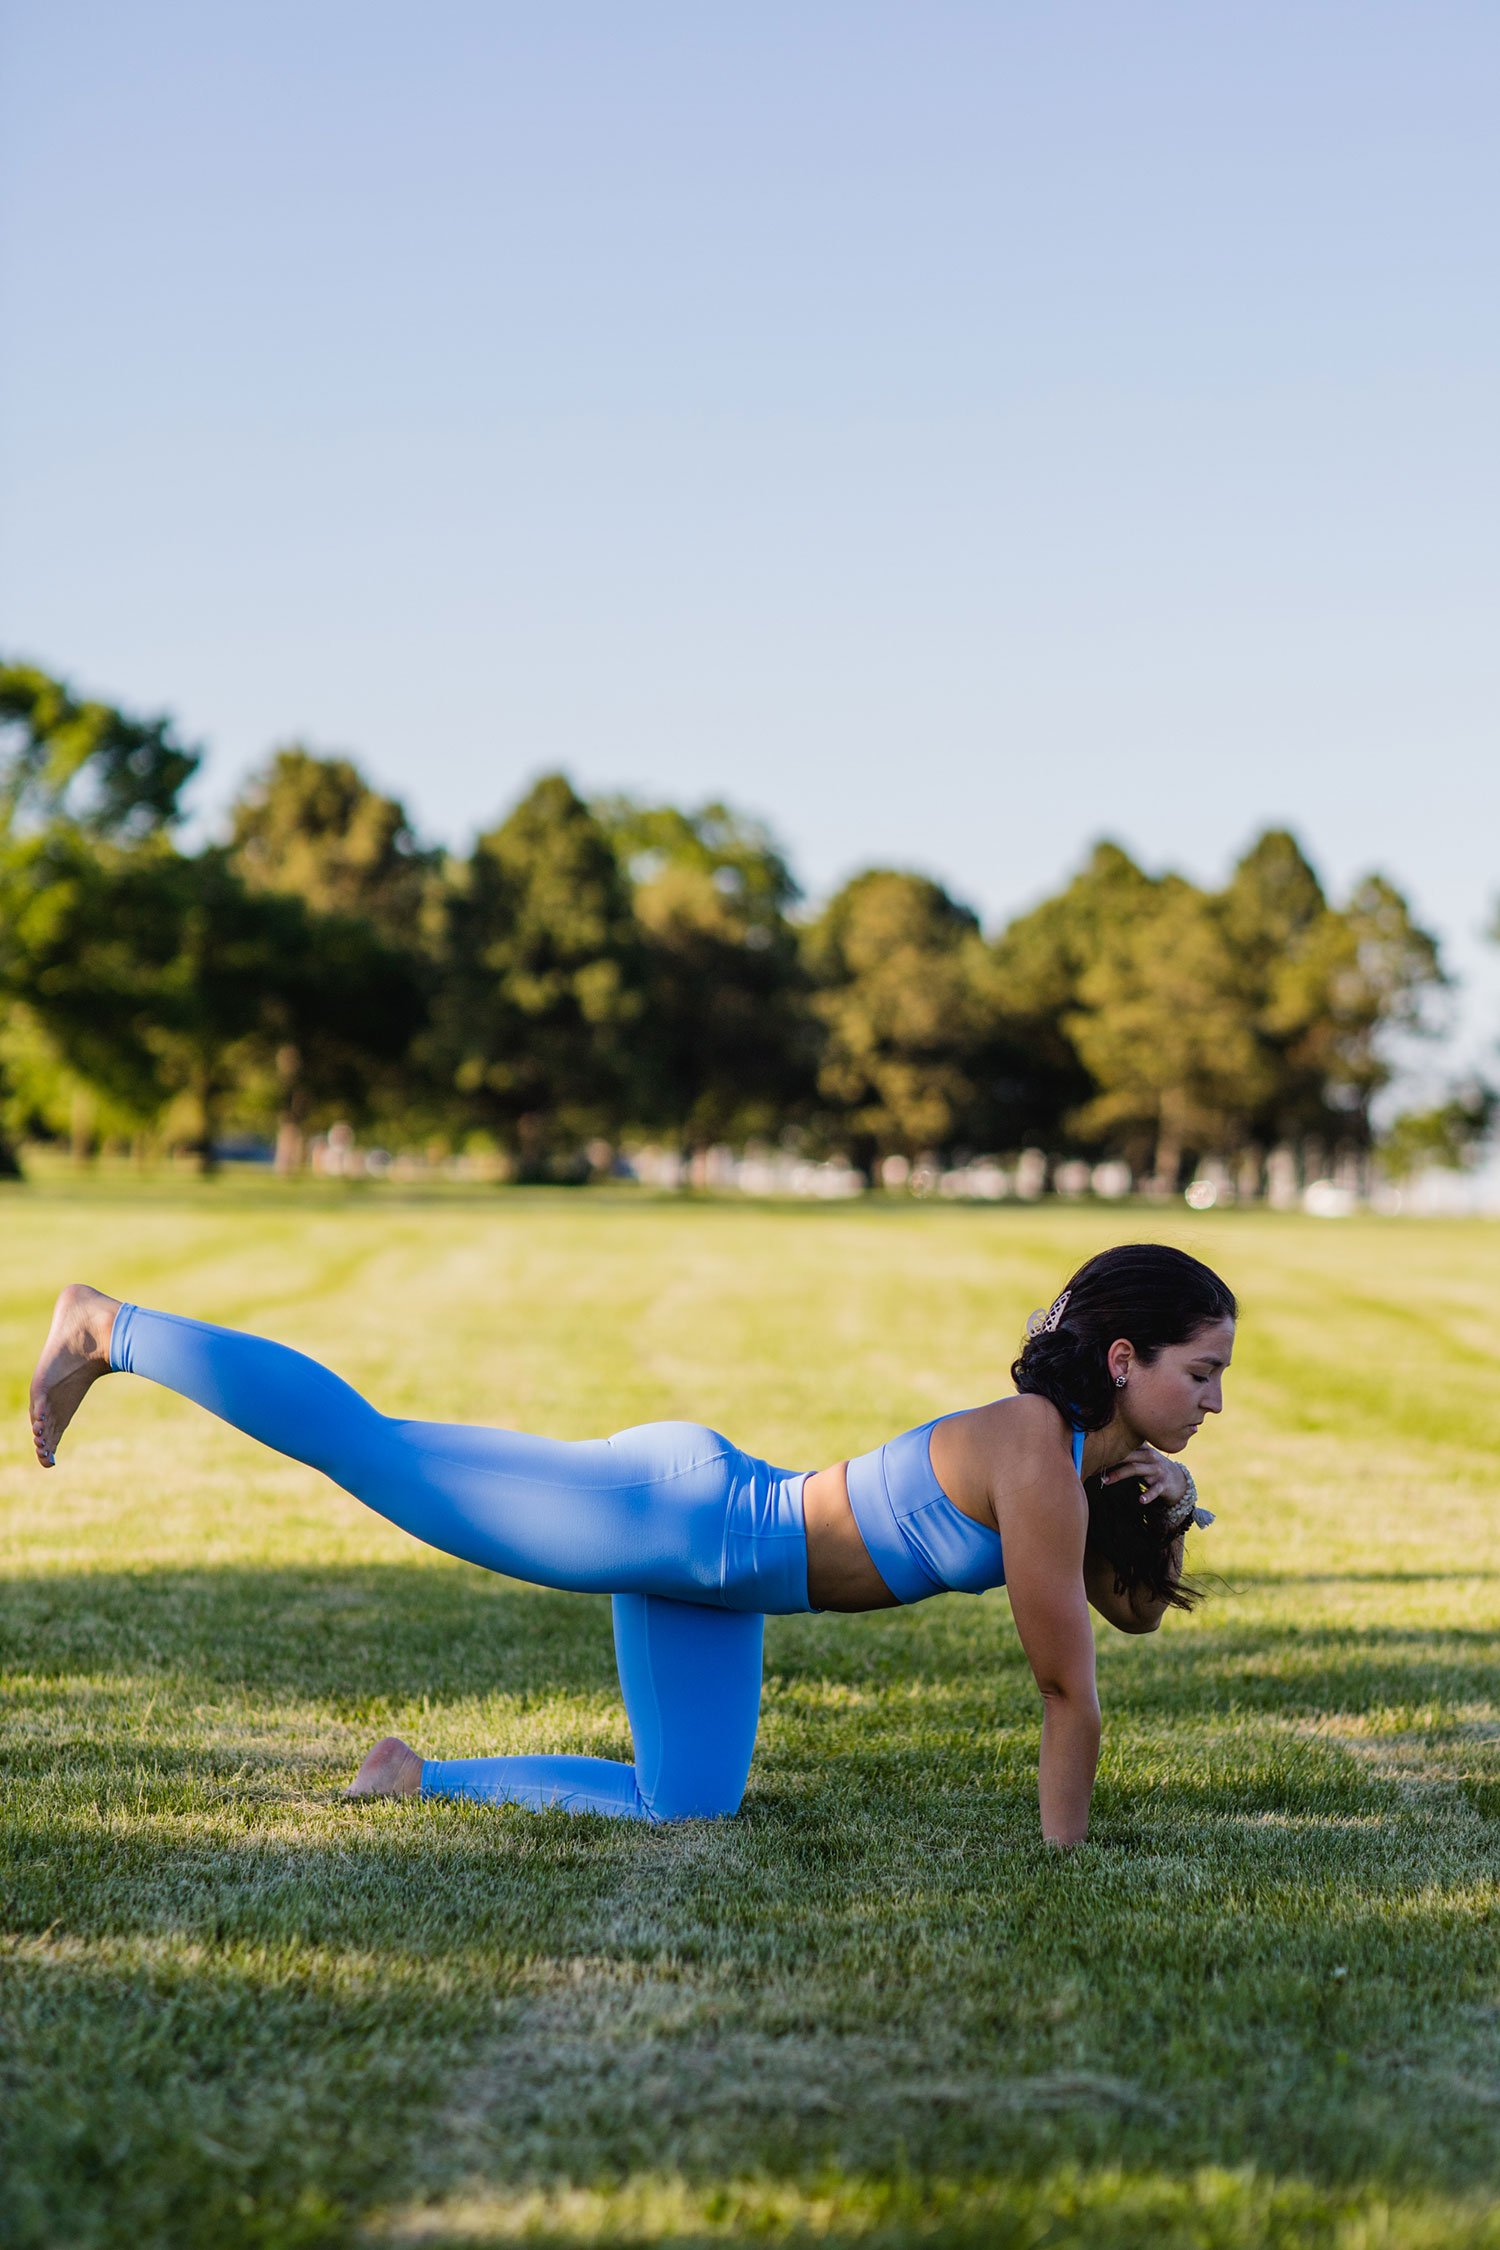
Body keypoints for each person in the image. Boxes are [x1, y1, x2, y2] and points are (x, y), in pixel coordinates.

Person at [27, 1242, 1234, 1846]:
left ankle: (413, 1777)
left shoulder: (1078, 1465)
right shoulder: (1036, 1448)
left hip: (720, 1584)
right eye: (1202, 1372)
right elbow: (1065, 1686)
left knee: (686, 1807)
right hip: (679, 1517)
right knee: (373, 1450)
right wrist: (1065, 1858)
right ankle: (110, 1328)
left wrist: (1158, 1509)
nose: (1214, 1404)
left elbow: (1123, 1611)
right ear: (1124, 1360)